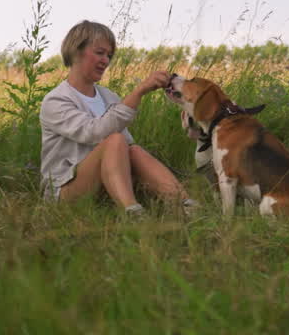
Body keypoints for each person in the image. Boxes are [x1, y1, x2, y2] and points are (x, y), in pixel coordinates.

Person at [39, 20, 193, 214]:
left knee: (133, 149)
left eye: (109, 55)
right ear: (77, 51)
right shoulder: (55, 101)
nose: (106, 60)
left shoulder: (108, 96)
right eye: (100, 52)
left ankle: (186, 205)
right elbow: (93, 133)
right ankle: (132, 212)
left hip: (105, 184)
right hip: (65, 192)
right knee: (115, 140)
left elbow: (125, 147)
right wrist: (139, 91)